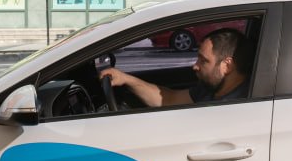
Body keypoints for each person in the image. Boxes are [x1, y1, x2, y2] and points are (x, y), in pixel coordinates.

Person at [101, 28, 253, 107]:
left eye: (204, 61)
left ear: (227, 66)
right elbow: (169, 99)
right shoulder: (212, 88)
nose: (195, 66)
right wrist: (126, 79)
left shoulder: (240, 104)